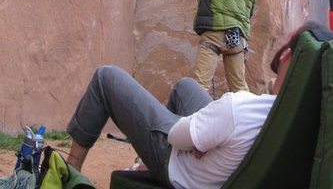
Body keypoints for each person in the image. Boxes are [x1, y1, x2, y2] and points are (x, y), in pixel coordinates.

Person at [66, 23, 326, 189]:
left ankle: (69, 172)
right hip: (226, 163)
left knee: (106, 77)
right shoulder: (305, 127)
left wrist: (197, 137)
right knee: (186, 87)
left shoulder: (240, 108)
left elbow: (179, 137)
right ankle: (172, 149)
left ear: (288, 55)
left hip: (182, 168)